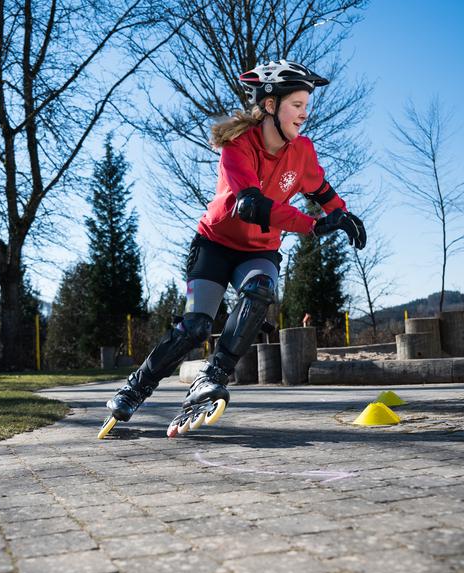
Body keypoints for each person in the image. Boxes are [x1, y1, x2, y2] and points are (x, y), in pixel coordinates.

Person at [104, 59, 366, 436]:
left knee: (260, 289)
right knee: (194, 327)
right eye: (297, 105)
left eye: (307, 107)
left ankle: (211, 376)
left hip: (258, 251)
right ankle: (136, 387)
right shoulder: (237, 146)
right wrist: (312, 225)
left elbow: (321, 191)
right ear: (271, 105)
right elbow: (250, 205)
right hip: (215, 245)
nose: (304, 115)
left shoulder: (302, 151)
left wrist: (341, 215)